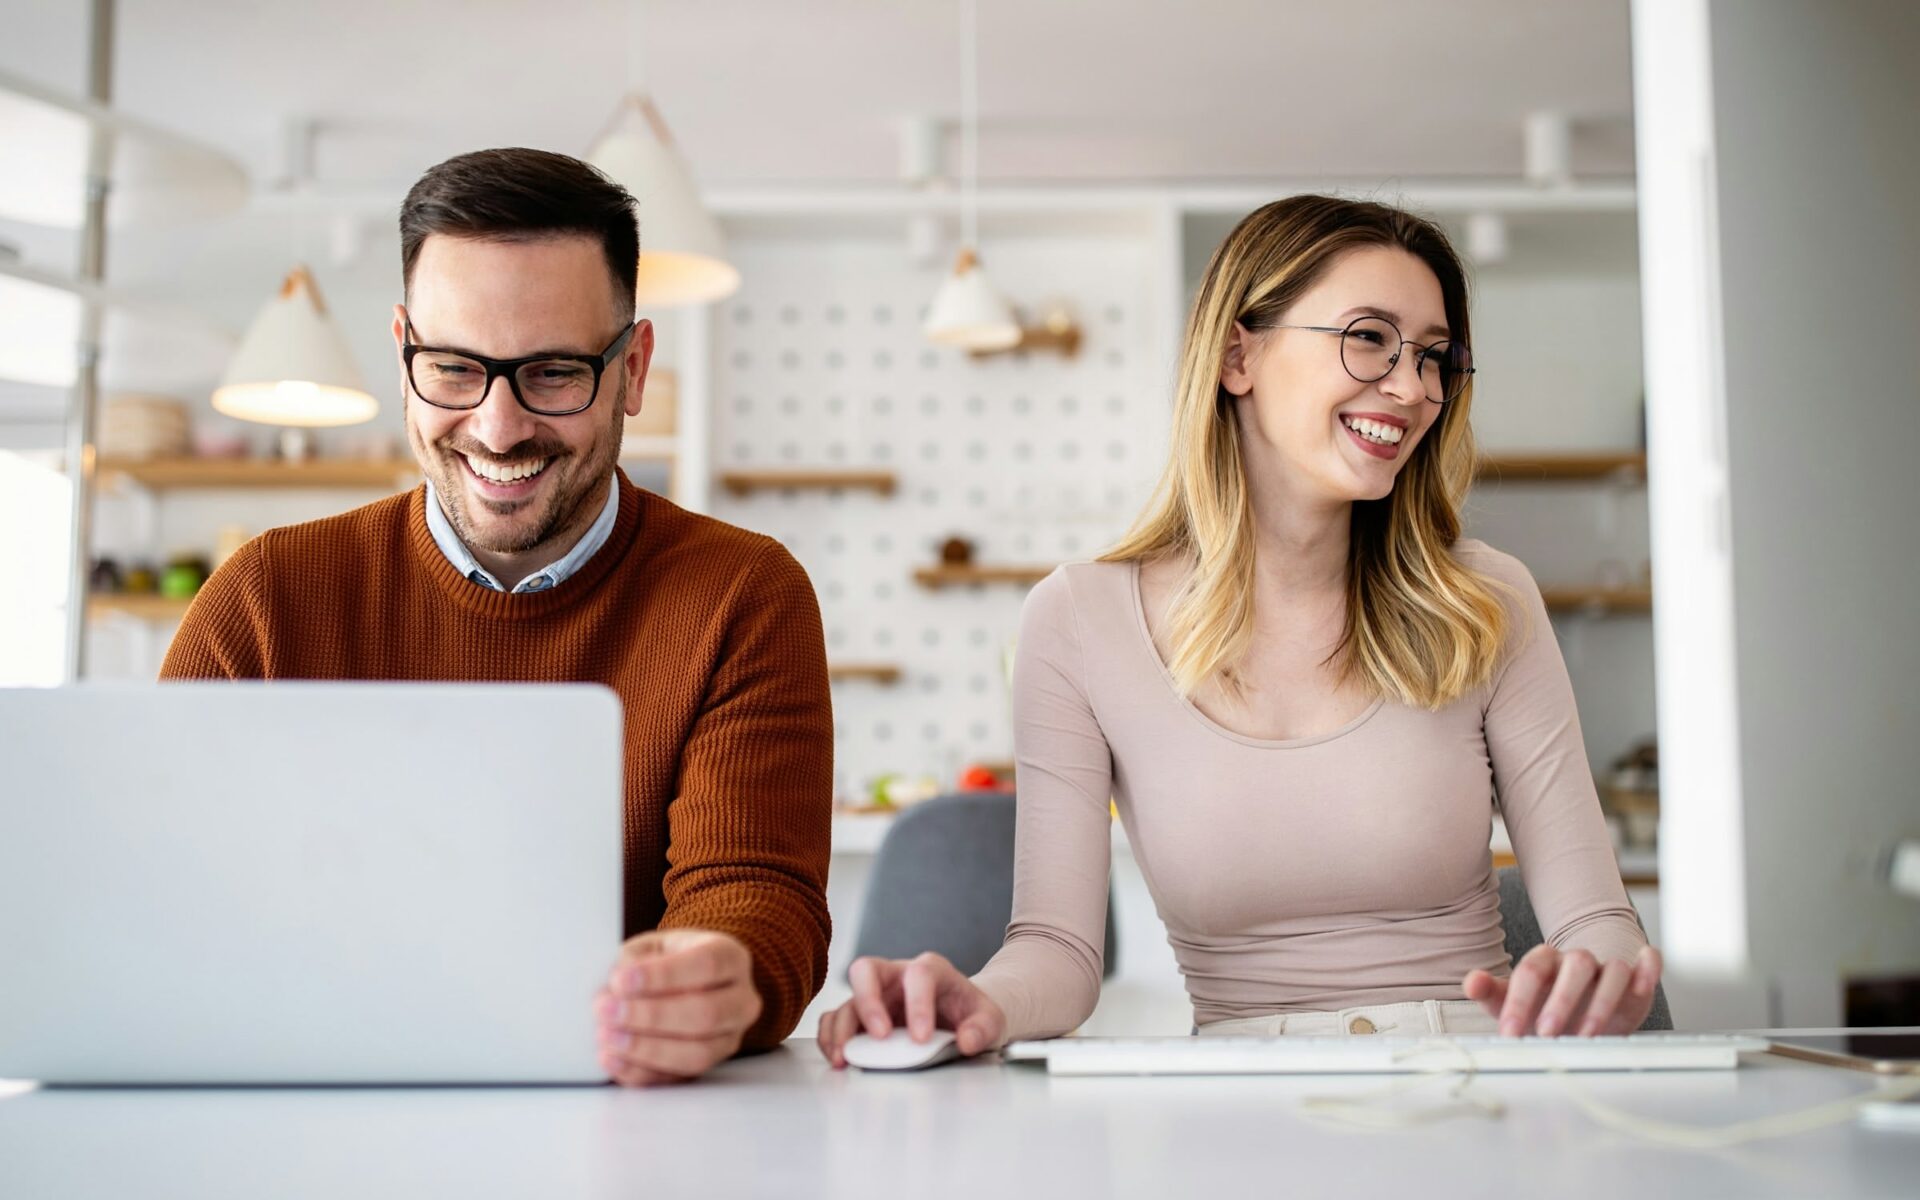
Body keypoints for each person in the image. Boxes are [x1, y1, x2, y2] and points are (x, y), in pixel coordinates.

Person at [820, 195, 1663, 1063]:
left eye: (1435, 357)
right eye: (1369, 337)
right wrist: (981, 1002)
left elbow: (1598, 919)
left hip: (1476, 1080)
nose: (1414, 388)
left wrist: (1599, 977)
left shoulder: (1488, 600)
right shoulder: (1076, 622)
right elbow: (1059, 951)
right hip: (1236, 1096)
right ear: (1237, 355)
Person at [162, 148, 834, 1087]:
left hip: (626, 1119)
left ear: (632, 369)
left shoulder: (743, 594)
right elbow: (164, 892)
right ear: (403, 354)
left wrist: (722, 980)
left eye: (554, 373)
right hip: (310, 1115)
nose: (498, 426)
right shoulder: (265, 599)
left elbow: (754, 895)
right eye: (453, 367)